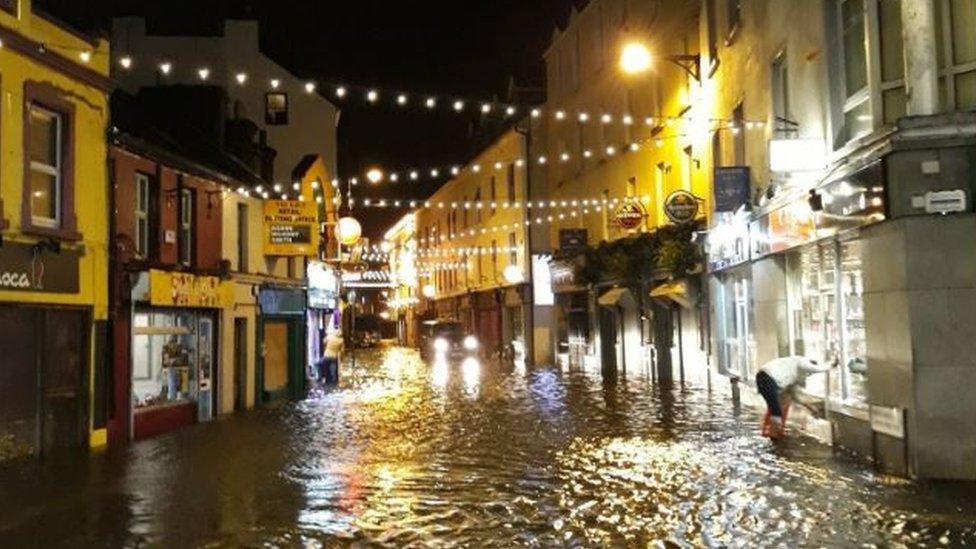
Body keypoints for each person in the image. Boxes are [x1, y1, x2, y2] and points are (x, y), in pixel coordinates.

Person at [755, 356, 834, 438]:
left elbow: (795, 395)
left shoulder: (791, 371)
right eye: (809, 372)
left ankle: (770, 435)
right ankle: (773, 438)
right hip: (768, 378)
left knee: (775, 409)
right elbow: (815, 369)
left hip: (763, 377)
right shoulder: (802, 362)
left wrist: (810, 407)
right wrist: (831, 365)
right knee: (776, 412)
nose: (808, 374)